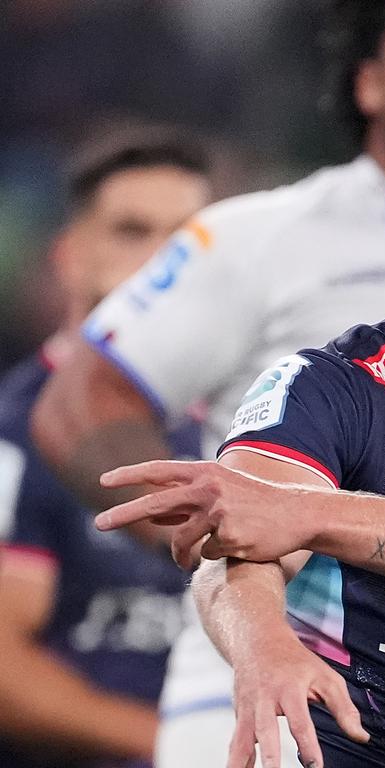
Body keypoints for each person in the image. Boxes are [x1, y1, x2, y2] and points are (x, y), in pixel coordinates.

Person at [30, 2, 385, 766]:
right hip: (260, 693)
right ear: (368, 82)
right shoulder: (262, 238)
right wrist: (210, 532)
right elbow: (82, 399)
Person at [0, 126, 213, 768]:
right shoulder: (16, 432)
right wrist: (181, 746)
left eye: (186, 239)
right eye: (131, 231)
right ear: (68, 257)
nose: (162, 262)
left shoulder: (255, 415)